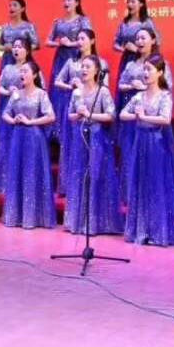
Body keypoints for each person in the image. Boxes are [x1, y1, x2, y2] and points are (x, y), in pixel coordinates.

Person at [121, 56, 174, 247]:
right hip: (140, 143)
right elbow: (122, 114)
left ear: (160, 72)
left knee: (157, 184)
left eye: (150, 69)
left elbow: (166, 119)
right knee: (141, 183)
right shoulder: (139, 96)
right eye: (145, 69)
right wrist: (136, 116)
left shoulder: (164, 96)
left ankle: (158, 232)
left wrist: (144, 117)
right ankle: (141, 230)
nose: (146, 73)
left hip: (157, 144)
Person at [65, 54, 121, 237]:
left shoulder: (102, 91)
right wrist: (79, 114)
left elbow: (111, 115)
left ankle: (97, 222)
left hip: (98, 140)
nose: (84, 69)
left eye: (88, 67)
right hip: (80, 139)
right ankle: (78, 221)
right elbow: (70, 115)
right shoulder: (76, 92)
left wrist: (90, 115)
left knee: (96, 176)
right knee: (79, 175)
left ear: (97, 70)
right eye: (82, 66)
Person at [0, 60, 56, 230]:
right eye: (21, 71)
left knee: (32, 174)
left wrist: (31, 121)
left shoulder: (41, 94)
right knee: (17, 173)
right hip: (18, 137)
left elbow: (51, 116)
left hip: (34, 139)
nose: (22, 74)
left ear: (35, 75)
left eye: (25, 71)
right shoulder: (16, 94)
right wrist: (13, 120)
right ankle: (16, 215)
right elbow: (5, 113)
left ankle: (33, 216)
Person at [54, 29, 110, 196]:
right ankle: (69, 186)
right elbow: (57, 81)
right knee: (70, 144)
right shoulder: (71, 62)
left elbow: (105, 85)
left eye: (82, 38)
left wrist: (86, 86)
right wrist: (71, 86)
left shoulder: (101, 63)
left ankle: (92, 187)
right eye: (77, 39)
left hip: (93, 107)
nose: (79, 42)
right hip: (74, 106)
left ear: (92, 41)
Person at [0, 35, 32, 196]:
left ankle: (22, 183)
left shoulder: (31, 68)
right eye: (14, 46)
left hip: (25, 110)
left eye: (20, 47)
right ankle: (4, 182)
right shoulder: (7, 68)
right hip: (7, 109)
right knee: (6, 143)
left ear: (27, 50)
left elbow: (39, 88)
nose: (16, 49)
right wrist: (8, 91)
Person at [44, 0, 92, 97]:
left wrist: (71, 44)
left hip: (77, 56)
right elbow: (47, 41)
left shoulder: (83, 20)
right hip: (61, 58)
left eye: (69, 0)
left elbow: (88, 39)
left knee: (76, 83)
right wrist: (58, 43)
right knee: (59, 84)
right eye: (64, 0)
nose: (66, 2)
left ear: (77, 3)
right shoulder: (58, 22)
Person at [113, 0, 160, 84]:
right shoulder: (124, 23)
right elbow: (116, 43)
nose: (129, 4)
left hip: (143, 59)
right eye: (128, 2)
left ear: (141, 4)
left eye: (133, 2)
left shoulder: (147, 22)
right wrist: (123, 49)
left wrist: (137, 49)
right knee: (125, 84)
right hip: (126, 59)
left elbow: (157, 41)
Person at [0, 0, 38, 67]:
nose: (11, 7)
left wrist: (20, 49)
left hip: (23, 60)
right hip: (7, 60)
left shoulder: (29, 26)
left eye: (15, 5)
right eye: (10, 5)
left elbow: (35, 44)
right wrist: (5, 48)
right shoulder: (5, 27)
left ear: (22, 9)